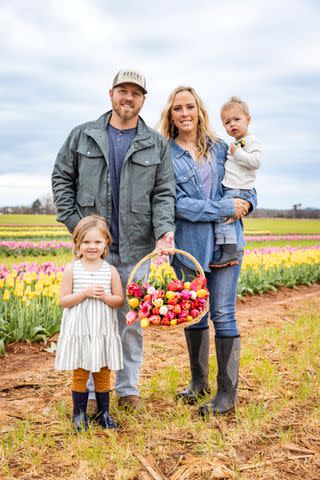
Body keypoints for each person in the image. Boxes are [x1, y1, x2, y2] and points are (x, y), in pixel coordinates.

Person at [52, 69, 175, 411]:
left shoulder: (156, 143)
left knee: (130, 323)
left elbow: (164, 193)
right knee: (93, 321)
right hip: (94, 255)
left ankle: (128, 389)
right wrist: (78, 227)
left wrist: (164, 230)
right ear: (110, 94)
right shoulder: (83, 136)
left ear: (143, 100)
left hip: (136, 249)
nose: (128, 97)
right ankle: (91, 394)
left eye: (136, 93)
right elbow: (61, 178)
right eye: (123, 90)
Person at [158, 86, 257, 416]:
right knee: (195, 311)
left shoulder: (221, 148)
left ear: (199, 110)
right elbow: (176, 204)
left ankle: (227, 395)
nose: (184, 113)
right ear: (170, 115)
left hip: (227, 241)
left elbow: (247, 184)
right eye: (177, 109)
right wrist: (221, 206)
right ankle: (198, 384)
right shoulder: (166, 155)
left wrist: (248, 204)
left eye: (190, 107)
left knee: (224, 313)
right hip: (189, 246)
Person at [55, 215, 123, 431]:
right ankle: (79, 415)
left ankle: (104, 414)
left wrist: (105, 297)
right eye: (86, 242)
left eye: (97, 242)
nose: (92, 246)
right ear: (77, 244)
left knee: (103, 372)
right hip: (81, 330)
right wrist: (84, 293)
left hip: (102, 330)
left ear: (106, 244)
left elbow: (119, 300)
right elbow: (64, 301)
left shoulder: (110, 270)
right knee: (81, 372)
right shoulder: (72, 269)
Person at [210, 96, 262, 268]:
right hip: (232, 188)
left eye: (237, 119)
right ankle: (227, 249)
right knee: (224, 217)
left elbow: (256, 162)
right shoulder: (235, 143)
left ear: (248, 120)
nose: (232, 124)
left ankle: (229, 252)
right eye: (227, 122)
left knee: (223, 217)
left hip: (238, 190)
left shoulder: (251, 141)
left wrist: (237, 153)